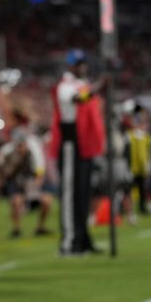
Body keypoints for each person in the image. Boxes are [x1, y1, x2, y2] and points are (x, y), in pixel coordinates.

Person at [49, 49, 106, 256]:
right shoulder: (65, 85)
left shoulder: (82, 84)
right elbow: (79, 99)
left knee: (83, 195)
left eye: (84, 63)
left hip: (84, 145)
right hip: (71, 144)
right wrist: (99, 86)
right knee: (70, 195)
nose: (83, 67)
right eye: (79, 64)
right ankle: (69, 242)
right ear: (71, 66)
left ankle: (83, 239)